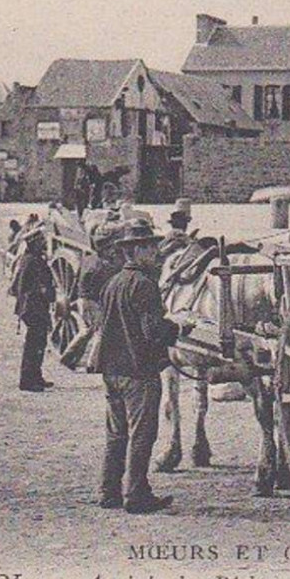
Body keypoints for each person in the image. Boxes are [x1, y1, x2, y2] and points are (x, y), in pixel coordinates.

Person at [97, 218, 180, 514]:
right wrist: (178, 329)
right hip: (138, 370)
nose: (156, 252)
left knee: (116, 433)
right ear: (138, 250)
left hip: (111, 370)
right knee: (142, 434)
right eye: (151, 247)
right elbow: (153, 332)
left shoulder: (113, 283)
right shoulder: (144, 285)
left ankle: (109, 492)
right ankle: (136, 495)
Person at [10, 229, 55, 391]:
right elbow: (32, 287)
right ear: (34, 243)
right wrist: (47, 293)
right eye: (41, 241)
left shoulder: (31, 260)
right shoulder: (32, 262)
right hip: (33, 308)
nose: (43, 243)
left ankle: (36, 376)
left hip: (35, 307)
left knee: (39, 343)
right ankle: (27, 381)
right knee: (33, 344)